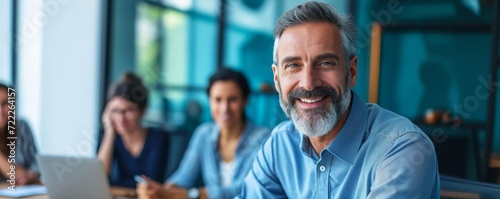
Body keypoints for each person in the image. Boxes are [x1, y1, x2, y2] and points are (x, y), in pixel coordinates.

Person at [239, 1, 440, 198]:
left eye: (325, 63)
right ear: (276, 79)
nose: (308, 84)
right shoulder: (279, 145)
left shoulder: (403, 147)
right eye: (293, 65)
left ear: (351, 71)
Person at [136, 68, 271, 199]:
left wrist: (191, 195)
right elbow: (183, 177)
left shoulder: (262, 138)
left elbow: (244, 189)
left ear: (245, 101)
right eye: (218, 100)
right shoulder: (204, 133)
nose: (224, 109)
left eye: (232, 100)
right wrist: (160, 191)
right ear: (210, 101)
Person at [97, 73, 170, 188]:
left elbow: (152, 182)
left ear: (143, 110)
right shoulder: (109, 137)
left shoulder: (158, 137)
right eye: (115, 110)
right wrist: (109, 133)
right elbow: (100, 178)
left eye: (128, 110)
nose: (121, 118)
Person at [0, 83, 39, 185]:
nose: (0, 111)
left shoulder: (22, 127)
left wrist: (31, 175)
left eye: (5, 104)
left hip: (22, 191)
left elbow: (36, 166)